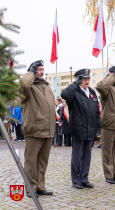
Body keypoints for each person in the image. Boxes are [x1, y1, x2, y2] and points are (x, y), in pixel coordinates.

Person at [61, 68, 101, 189]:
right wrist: (75, 84)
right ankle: (76, 180)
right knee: (77, 156)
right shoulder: (75, 93)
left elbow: (96, 113)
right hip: (78, 129)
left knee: (87, 156)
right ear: (79, 80)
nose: (87, 81)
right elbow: (65, 94)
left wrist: (97, 128)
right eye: (84, 79)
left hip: (90, 129)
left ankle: (84, 178)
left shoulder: (92, 93)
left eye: (88, 79)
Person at [21, 60, 55, 198]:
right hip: (34, 129)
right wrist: (30, 73)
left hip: (47, 129)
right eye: (38, 69)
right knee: (31, 161)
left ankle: (40, 186)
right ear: (33, 70)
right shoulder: (29, 87)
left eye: (42, 69)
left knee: (42, 161)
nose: (41, 71)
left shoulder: (46, 86)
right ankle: (30, 188)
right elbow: (22, 87)